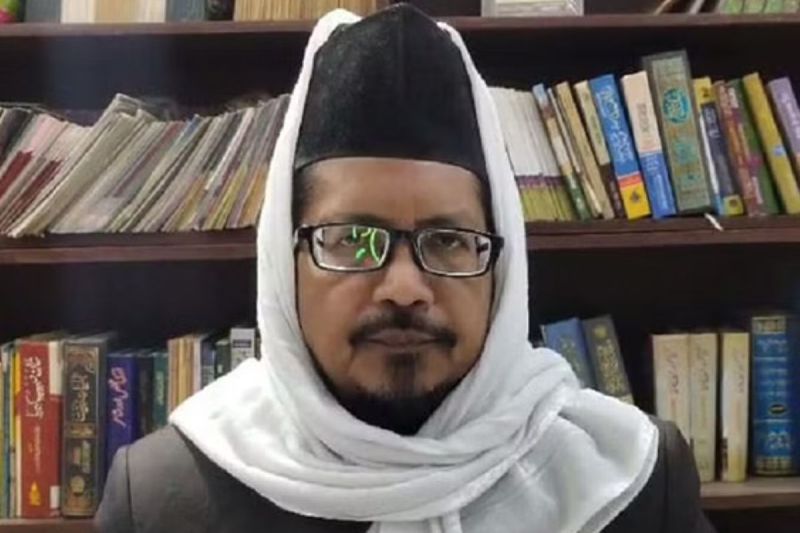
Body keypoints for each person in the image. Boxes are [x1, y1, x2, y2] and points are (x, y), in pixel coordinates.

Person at [95, 4, 714, 532]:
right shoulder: (162, 497)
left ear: (502, 269)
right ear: (286, 264)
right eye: (351, 239)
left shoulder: (627, 482)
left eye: (448, 241)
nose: (404, 288)